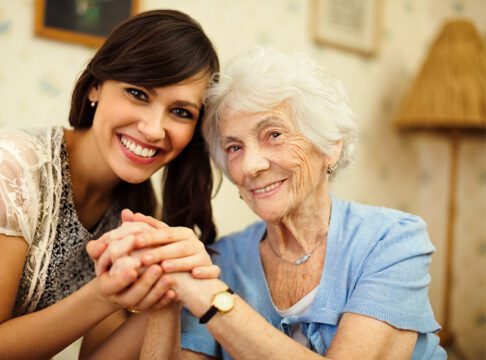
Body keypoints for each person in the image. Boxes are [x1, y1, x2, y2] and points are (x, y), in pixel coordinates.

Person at [92, 47, 447, 359]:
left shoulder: (393, 240)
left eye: (273, 134)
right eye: (234, 147)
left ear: (330, 144)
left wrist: (212, 298)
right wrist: (166, 288)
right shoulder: (220, 260)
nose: (250, 166)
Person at [0, 9, 221, 359]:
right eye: (138, 93)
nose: (152, 128)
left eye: (180, 112)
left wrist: (169, 287)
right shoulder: (8, 168)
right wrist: (104, 294)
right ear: (95, 87)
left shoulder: (135, 211)